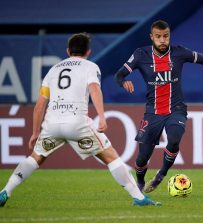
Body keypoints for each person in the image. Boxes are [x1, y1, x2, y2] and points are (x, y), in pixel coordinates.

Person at [0, 33, 160, 207]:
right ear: (88, 51)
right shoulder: (90, 66)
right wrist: (102, 117)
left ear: (68, 51)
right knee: (111, 157)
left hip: (52, 123)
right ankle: (139, 197)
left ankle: (6, 191)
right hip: (77, 123)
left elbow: (39, 105)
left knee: (35, 157)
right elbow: (94, 89)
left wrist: (35, 132)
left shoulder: (53, 70)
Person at [114, 20, 203, 193]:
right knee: (142, 158)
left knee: (174, 138)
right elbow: (119, 75)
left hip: (176, 109)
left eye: (166, 36)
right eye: (158, 37)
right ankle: (140, 181)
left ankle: (161, 175)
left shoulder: (179, 53)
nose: (162, 40)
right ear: (151, 37)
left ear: (169, 36)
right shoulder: (140, 54)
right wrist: (124, 82)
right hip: (153, 112)